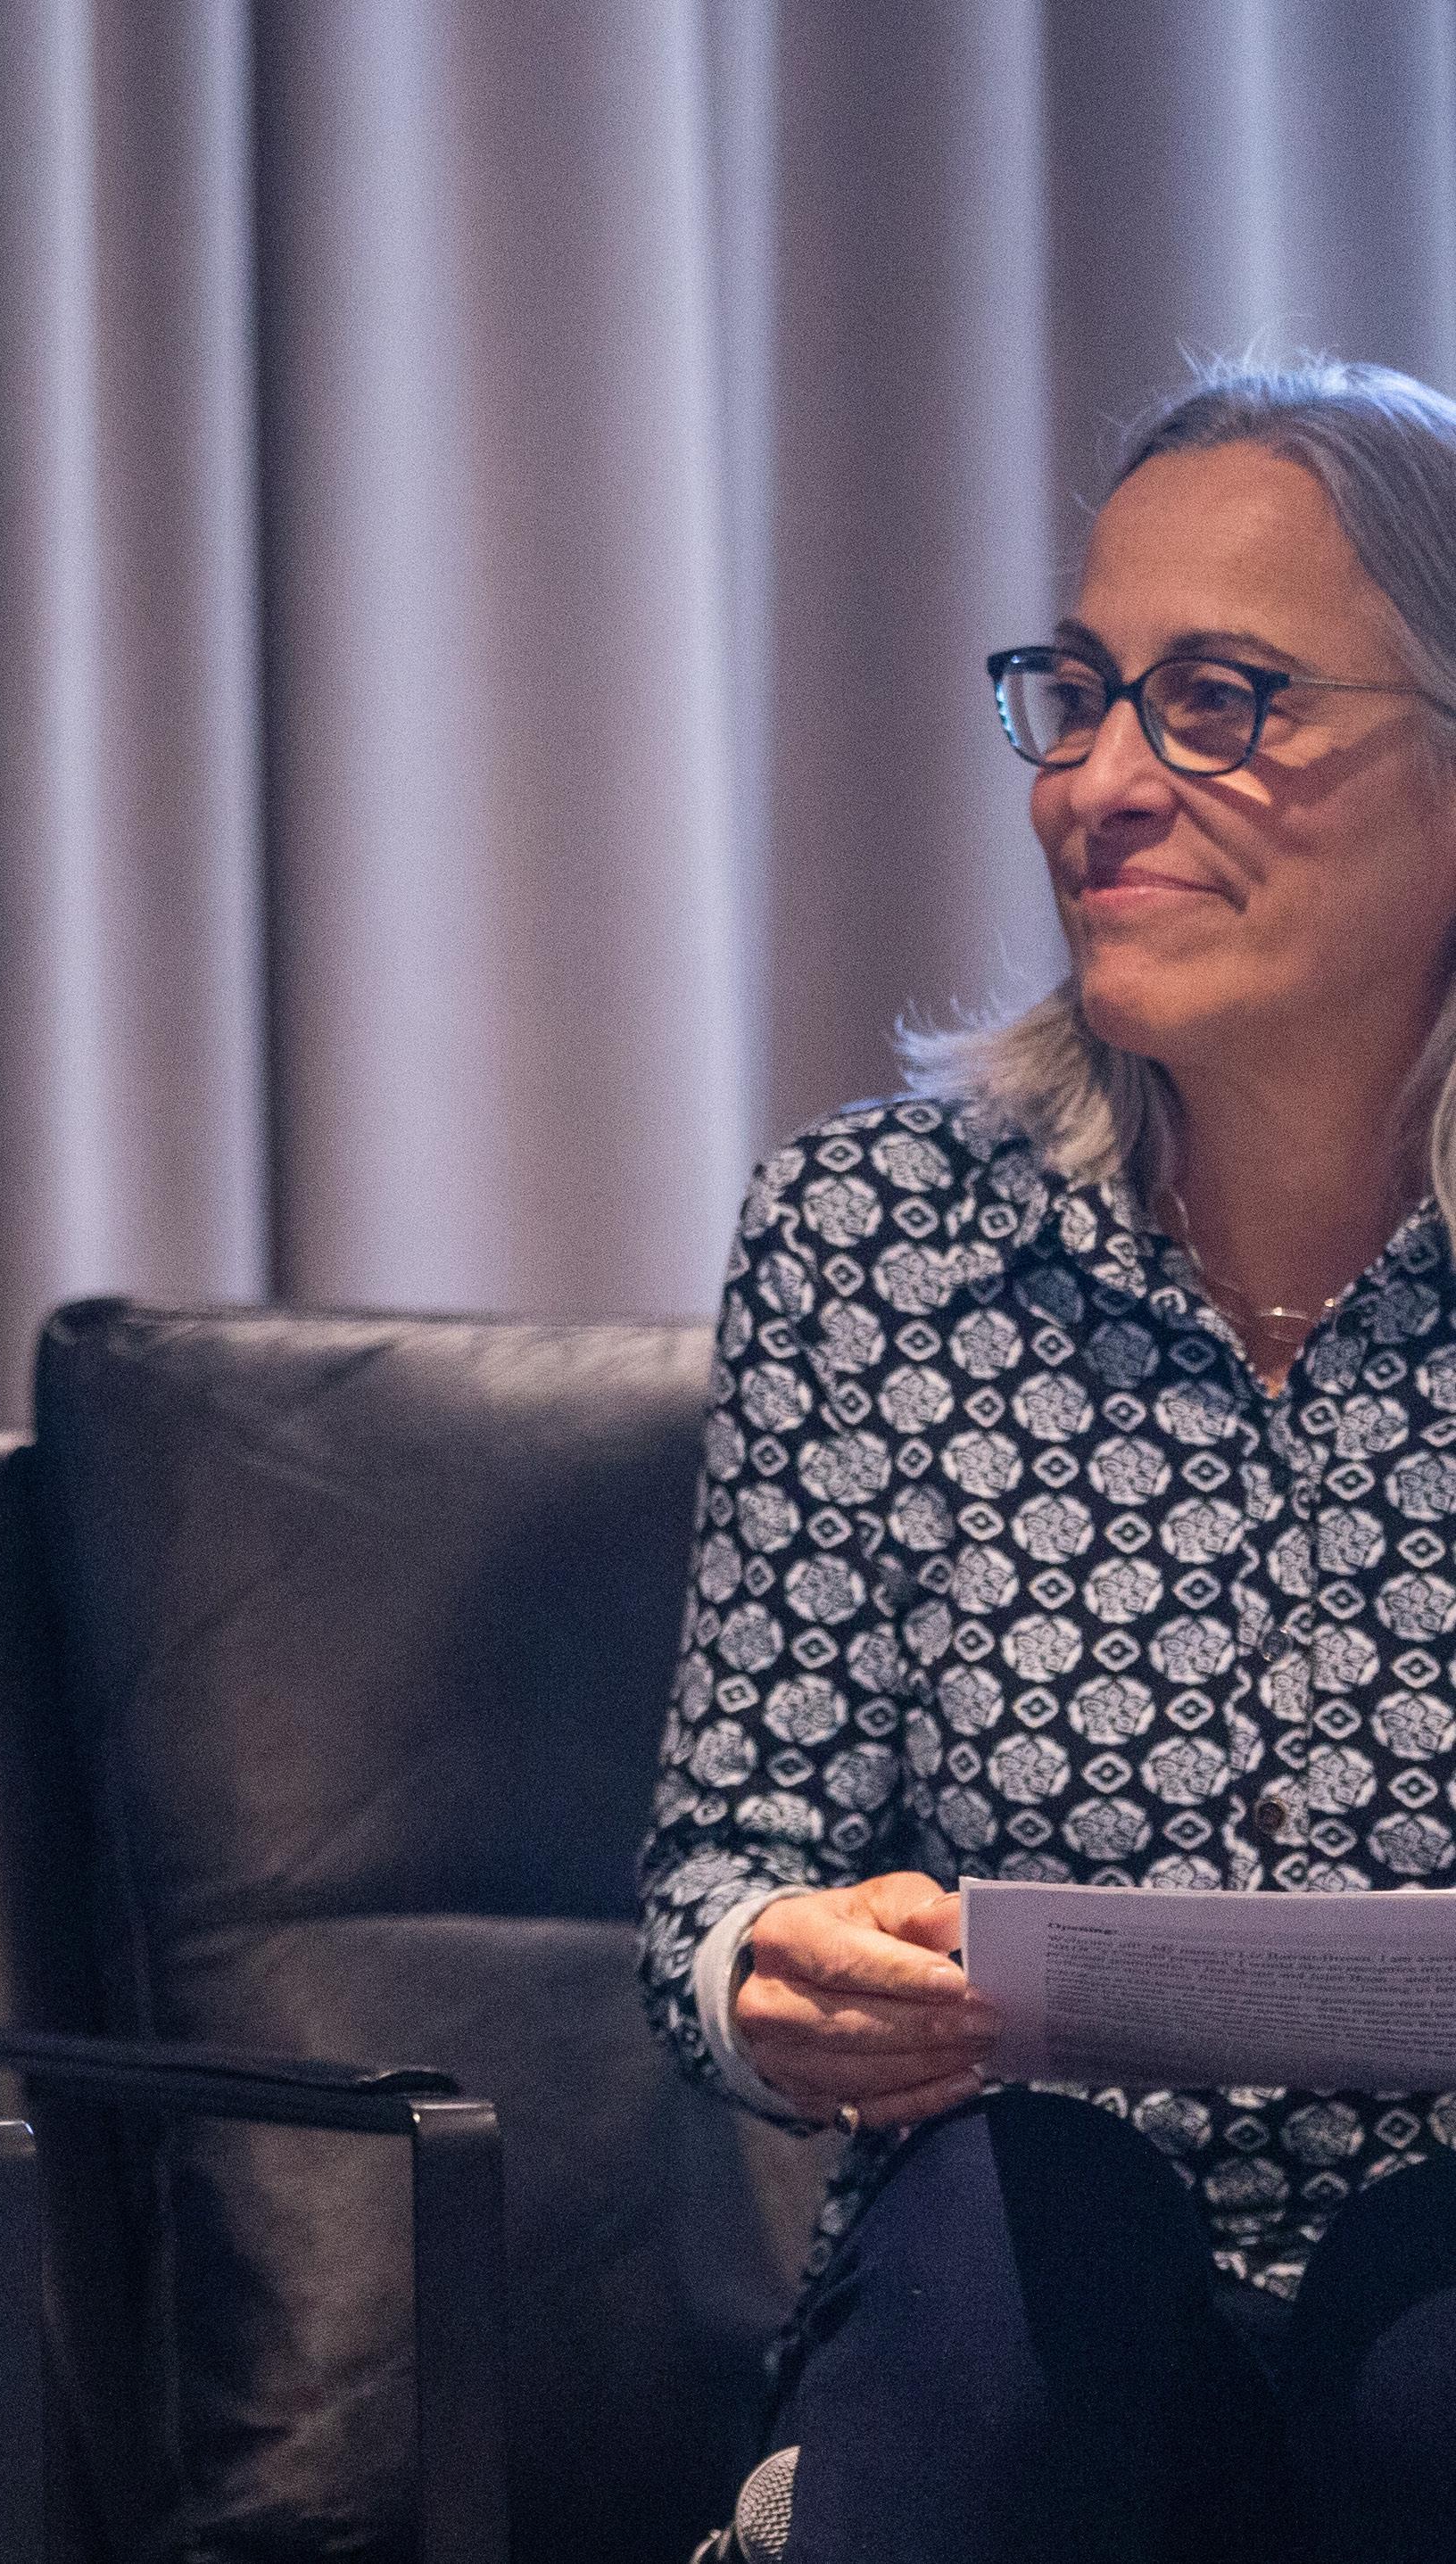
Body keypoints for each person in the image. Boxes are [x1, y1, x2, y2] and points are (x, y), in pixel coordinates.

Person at [637, 355, 1456, 2564]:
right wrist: (774, 1974)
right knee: (1022, 2223)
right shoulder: (871, 1239)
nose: (1093, 783)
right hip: (1017, 2317)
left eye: (1217, 702)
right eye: (1076, 694)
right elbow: (722, 1868)